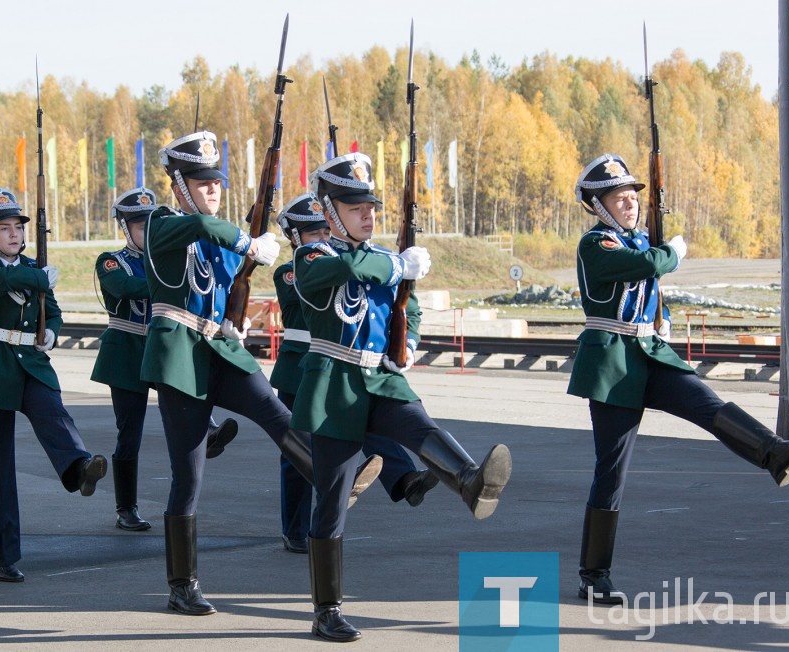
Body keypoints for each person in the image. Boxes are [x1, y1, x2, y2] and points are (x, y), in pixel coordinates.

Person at [142, 131, 381, 616]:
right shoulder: (162, 223)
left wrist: (241, 287)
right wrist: (246, 241)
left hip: (219, 347)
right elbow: (208, 233)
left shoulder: (215, 230)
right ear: (178, 186)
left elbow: (231, 281)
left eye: (216, 182)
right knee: (188, 474)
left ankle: (329, 479)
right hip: (179, 357)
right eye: (200, 182)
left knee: (276, 412)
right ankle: (181, 583)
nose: (212, 190)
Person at [567, 153, 789, 605]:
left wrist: (664, 318)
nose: (630, 204)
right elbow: (645, 269)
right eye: (619, 199)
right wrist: (671, 254)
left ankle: (774, 455)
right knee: (611, 470)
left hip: (650, 353)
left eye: (632, 198)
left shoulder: (635, 241)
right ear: (598, 206)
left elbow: (649, 290)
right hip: (613, 365)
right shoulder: (597, 246)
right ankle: (593, 575)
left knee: (706, 403)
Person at [291, 153, 513, 642]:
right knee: (331, 500)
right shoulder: (313, 256)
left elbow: (403, 309)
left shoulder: (380, 260)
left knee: (420, 424)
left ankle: (470, 480)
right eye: (354, 208)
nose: (367, 214)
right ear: (329, 212)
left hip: (379, 377)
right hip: (334, 382)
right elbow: (347, 270)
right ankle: (326, 609)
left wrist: (407, 341)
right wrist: (397, 263)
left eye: (370, 206)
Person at [0, 188, 107, 583]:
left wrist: (51, 331)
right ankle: (1, 556)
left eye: (18, 227)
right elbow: (4, 281)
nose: (15, 234)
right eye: (4, 228)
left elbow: (52, 311)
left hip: (31, 363)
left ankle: (79, 467)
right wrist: (38, 277)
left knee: (53, 411)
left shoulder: (34, 267)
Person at [271, 193, 439, 554]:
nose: (320, 237)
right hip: (299, 368)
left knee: (371, 429)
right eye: (310, 233)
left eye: (322, 230)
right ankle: (295, 529)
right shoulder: (290, 271)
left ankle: (404, 478)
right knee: (297, 451)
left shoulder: (356, 258)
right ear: (294, 238)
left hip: (343, 366)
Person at [90, 186, 238, 532]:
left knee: (186, 398)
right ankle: (126, 507)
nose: (147, 232)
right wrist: (166, 282)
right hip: (127, 349)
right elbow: (125, 288)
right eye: (139, 227)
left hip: (160, 346)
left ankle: (210, 431)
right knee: (130, 433)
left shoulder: (173, 256)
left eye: (151, 225)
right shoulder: (113, 261)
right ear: (125, 229)